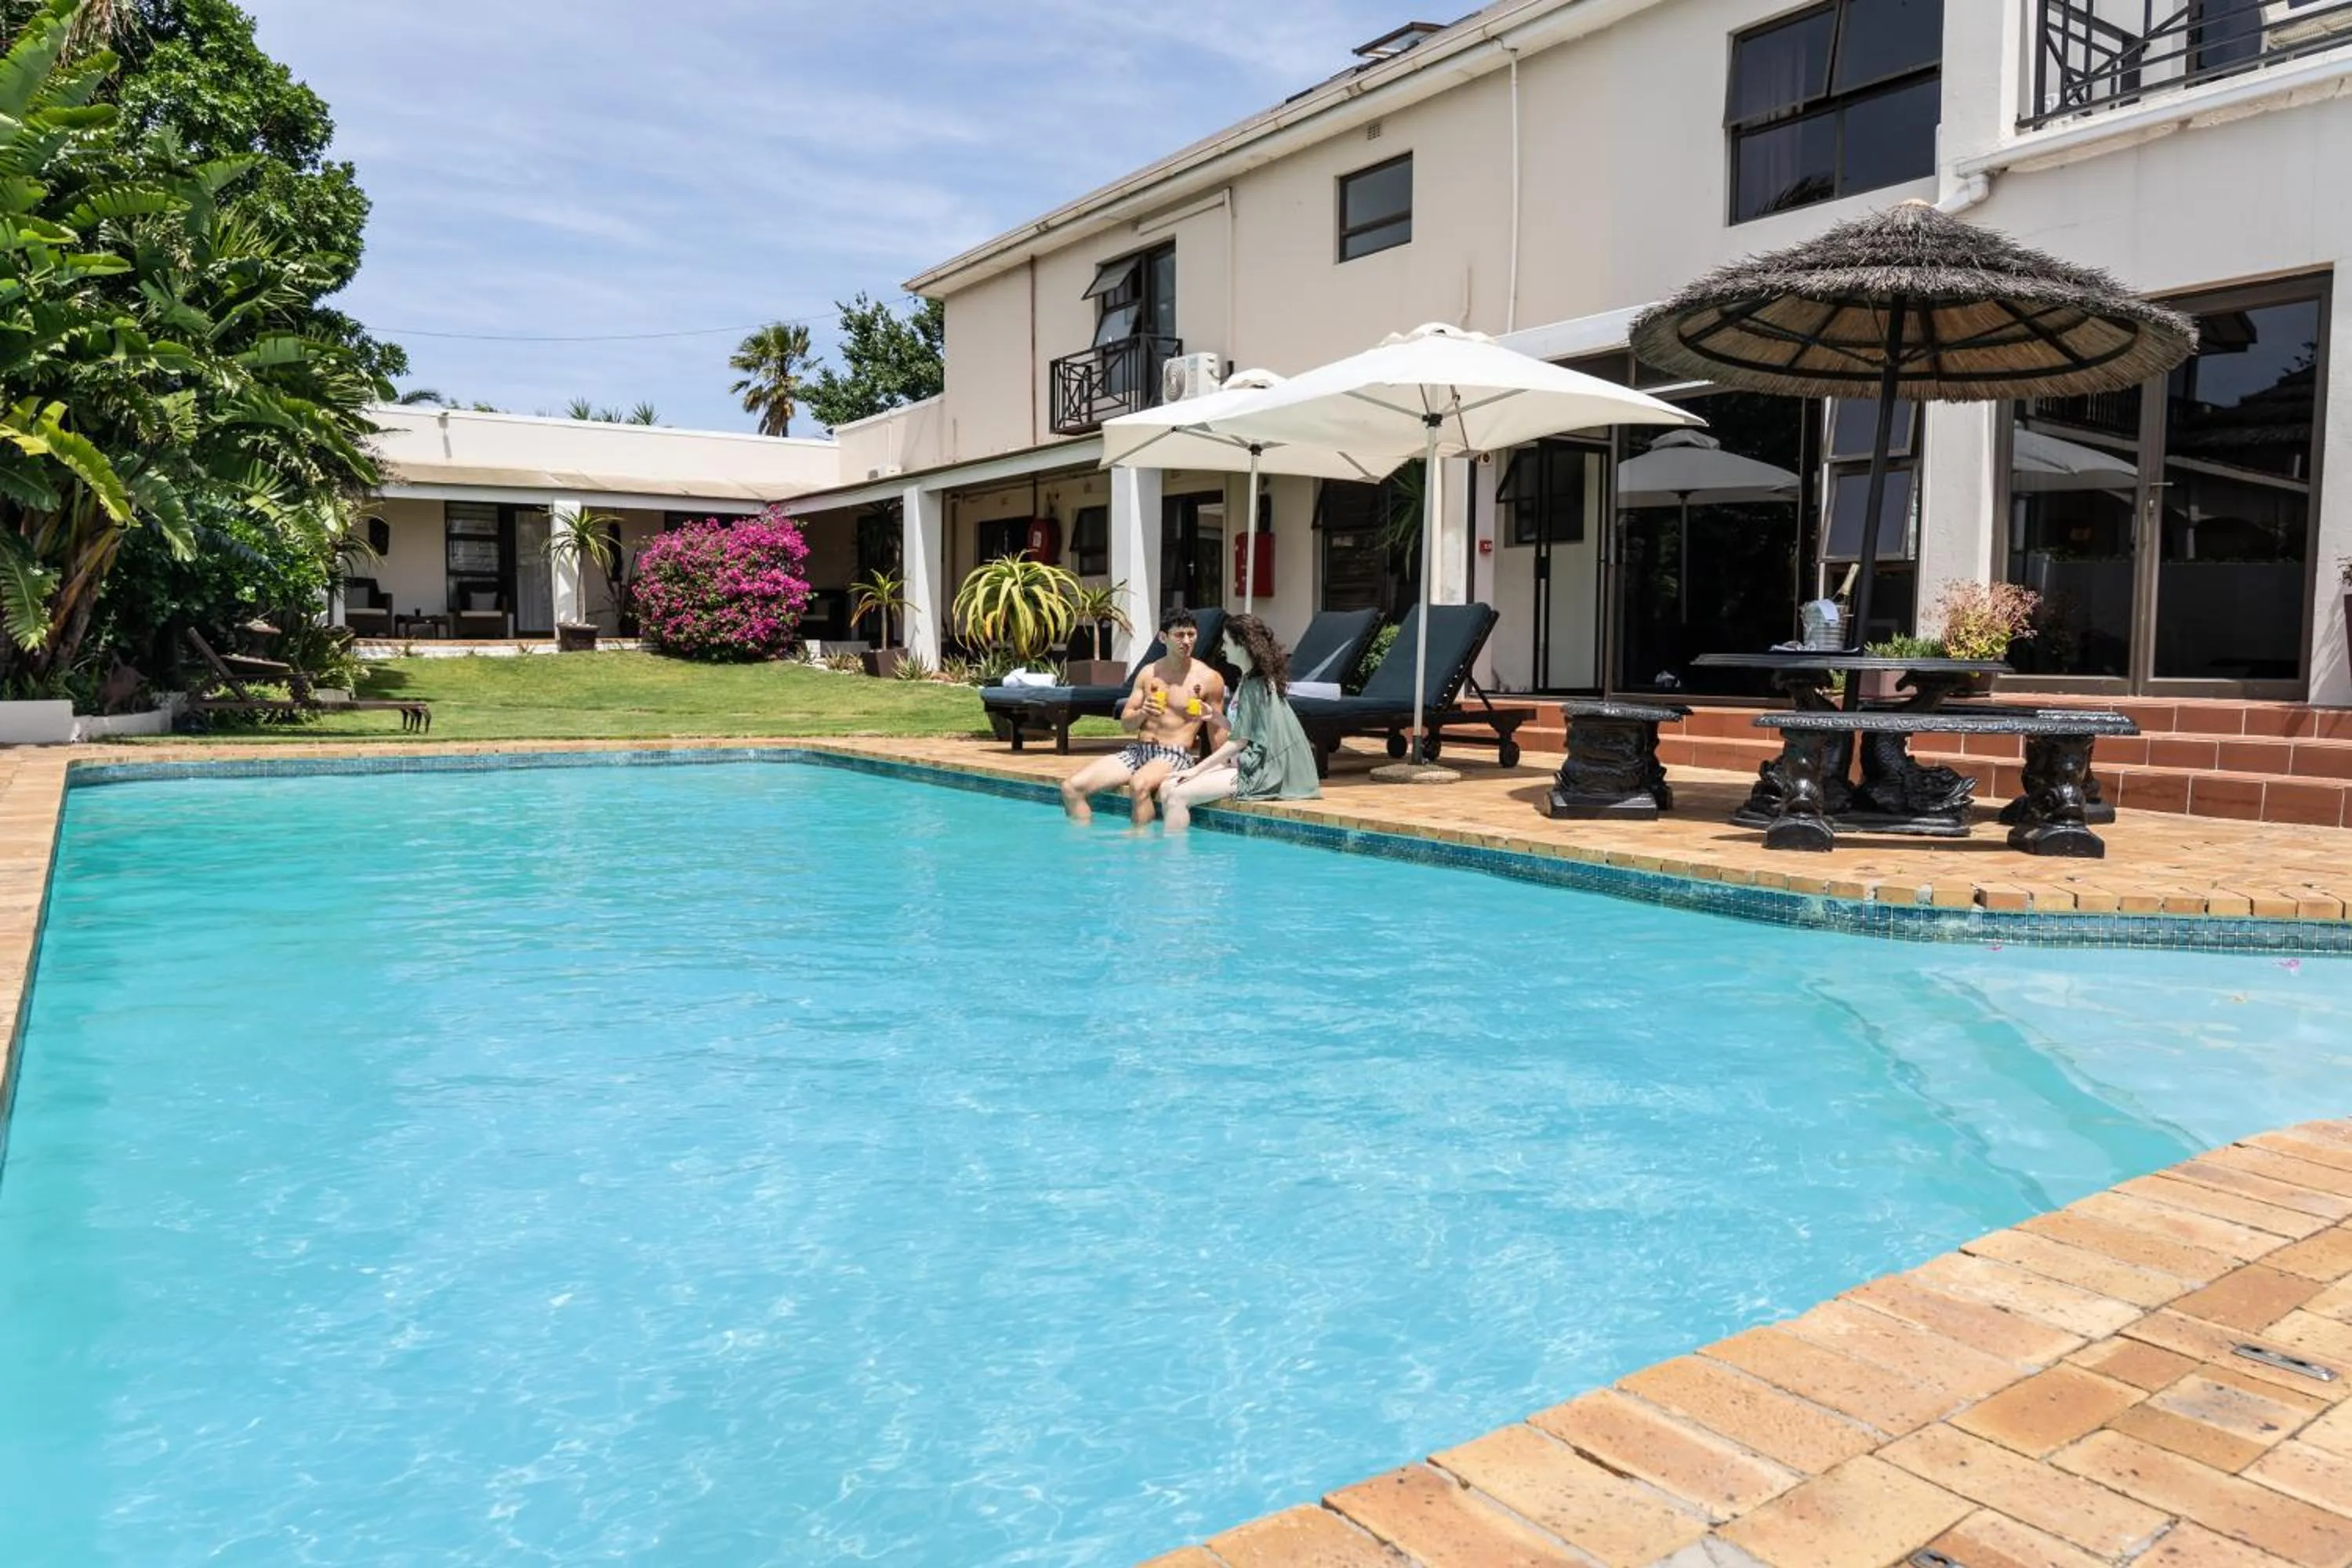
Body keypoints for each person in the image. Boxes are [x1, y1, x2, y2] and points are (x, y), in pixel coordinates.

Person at [1058, 609, 1227, 826]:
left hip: (1174, 755)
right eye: (1179, 635)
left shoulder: (1208, 678)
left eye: (1191, 634)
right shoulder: (1149, 673)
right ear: (1163, 638)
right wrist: (1143, 713)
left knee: (1140, 785)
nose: (1186, 641)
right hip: (1139, 752)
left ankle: (1141, 849)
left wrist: (1222, 767)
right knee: (1072, 788)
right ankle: (1081, 849)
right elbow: (1127, 724)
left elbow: (1217, 729)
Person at [1157, 614, 1319, 829]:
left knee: (1177, 796)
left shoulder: (1256, 684)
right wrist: (1216, 717)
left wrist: (1195, 770)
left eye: (1226, 642)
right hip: (1248, 761)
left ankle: (1176, 861)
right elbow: (1250, 730)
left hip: (1261, 771)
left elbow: (1239, 741)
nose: (1223, 648)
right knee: (1167, 787)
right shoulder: (1248, 679)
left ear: (1242, 645)